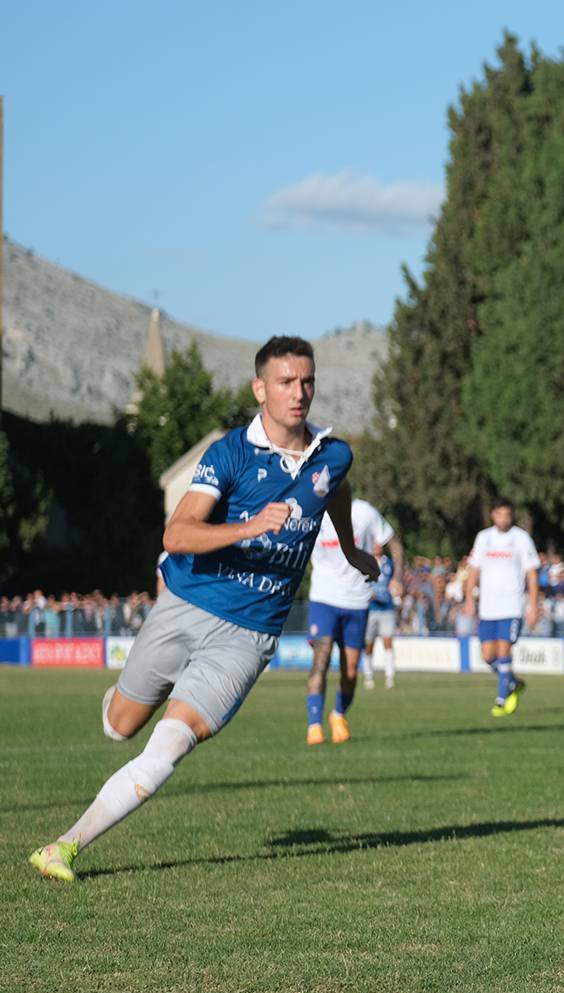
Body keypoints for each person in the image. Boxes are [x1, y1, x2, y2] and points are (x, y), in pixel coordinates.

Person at [28, 336, 377, 882]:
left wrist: (351, 547)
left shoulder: (333, 454)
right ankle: (132, 691)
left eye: (307, 381)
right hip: (187, 605)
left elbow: (335, 489)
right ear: (260, 388)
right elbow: (178, 530)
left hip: (250, 635)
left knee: (167, 749)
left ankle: (63, 847)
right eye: (286, 382)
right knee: (121, 727)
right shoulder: (230, 454)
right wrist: (251, 525)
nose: (299, 392)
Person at [304, 498, 398, 744]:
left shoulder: (365, 512)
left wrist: (398, 576)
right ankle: (314, 725)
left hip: (357, 602)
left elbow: (394, 542)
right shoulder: (312, 510)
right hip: (323, 599)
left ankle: (338, 715)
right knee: (320, 662)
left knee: (351, 670)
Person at [463, 500, 540, 717]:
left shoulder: (521, 538)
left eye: (508, 515)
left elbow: (532, 573)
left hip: (512, 606)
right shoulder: (483, 538)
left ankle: (502, 699)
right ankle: (513, 682)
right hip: (488, 607)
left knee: (504, 651)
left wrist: (533, 605)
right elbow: (474, 570)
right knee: (488, 656)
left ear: (511, 516)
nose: (504, 519)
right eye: (500, 514)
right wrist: (469, 598)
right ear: (493, 515)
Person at [363, 540, 405, 690]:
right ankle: (368, 676)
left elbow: (397, 581)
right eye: (374, 544)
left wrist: (398, 588)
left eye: (379, 544)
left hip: (387, 608)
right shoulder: (364, 561)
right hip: (370, 609)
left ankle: (390, 676)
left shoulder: (389, 563)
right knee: (368, 645)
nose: (377, 547)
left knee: (388, 642)